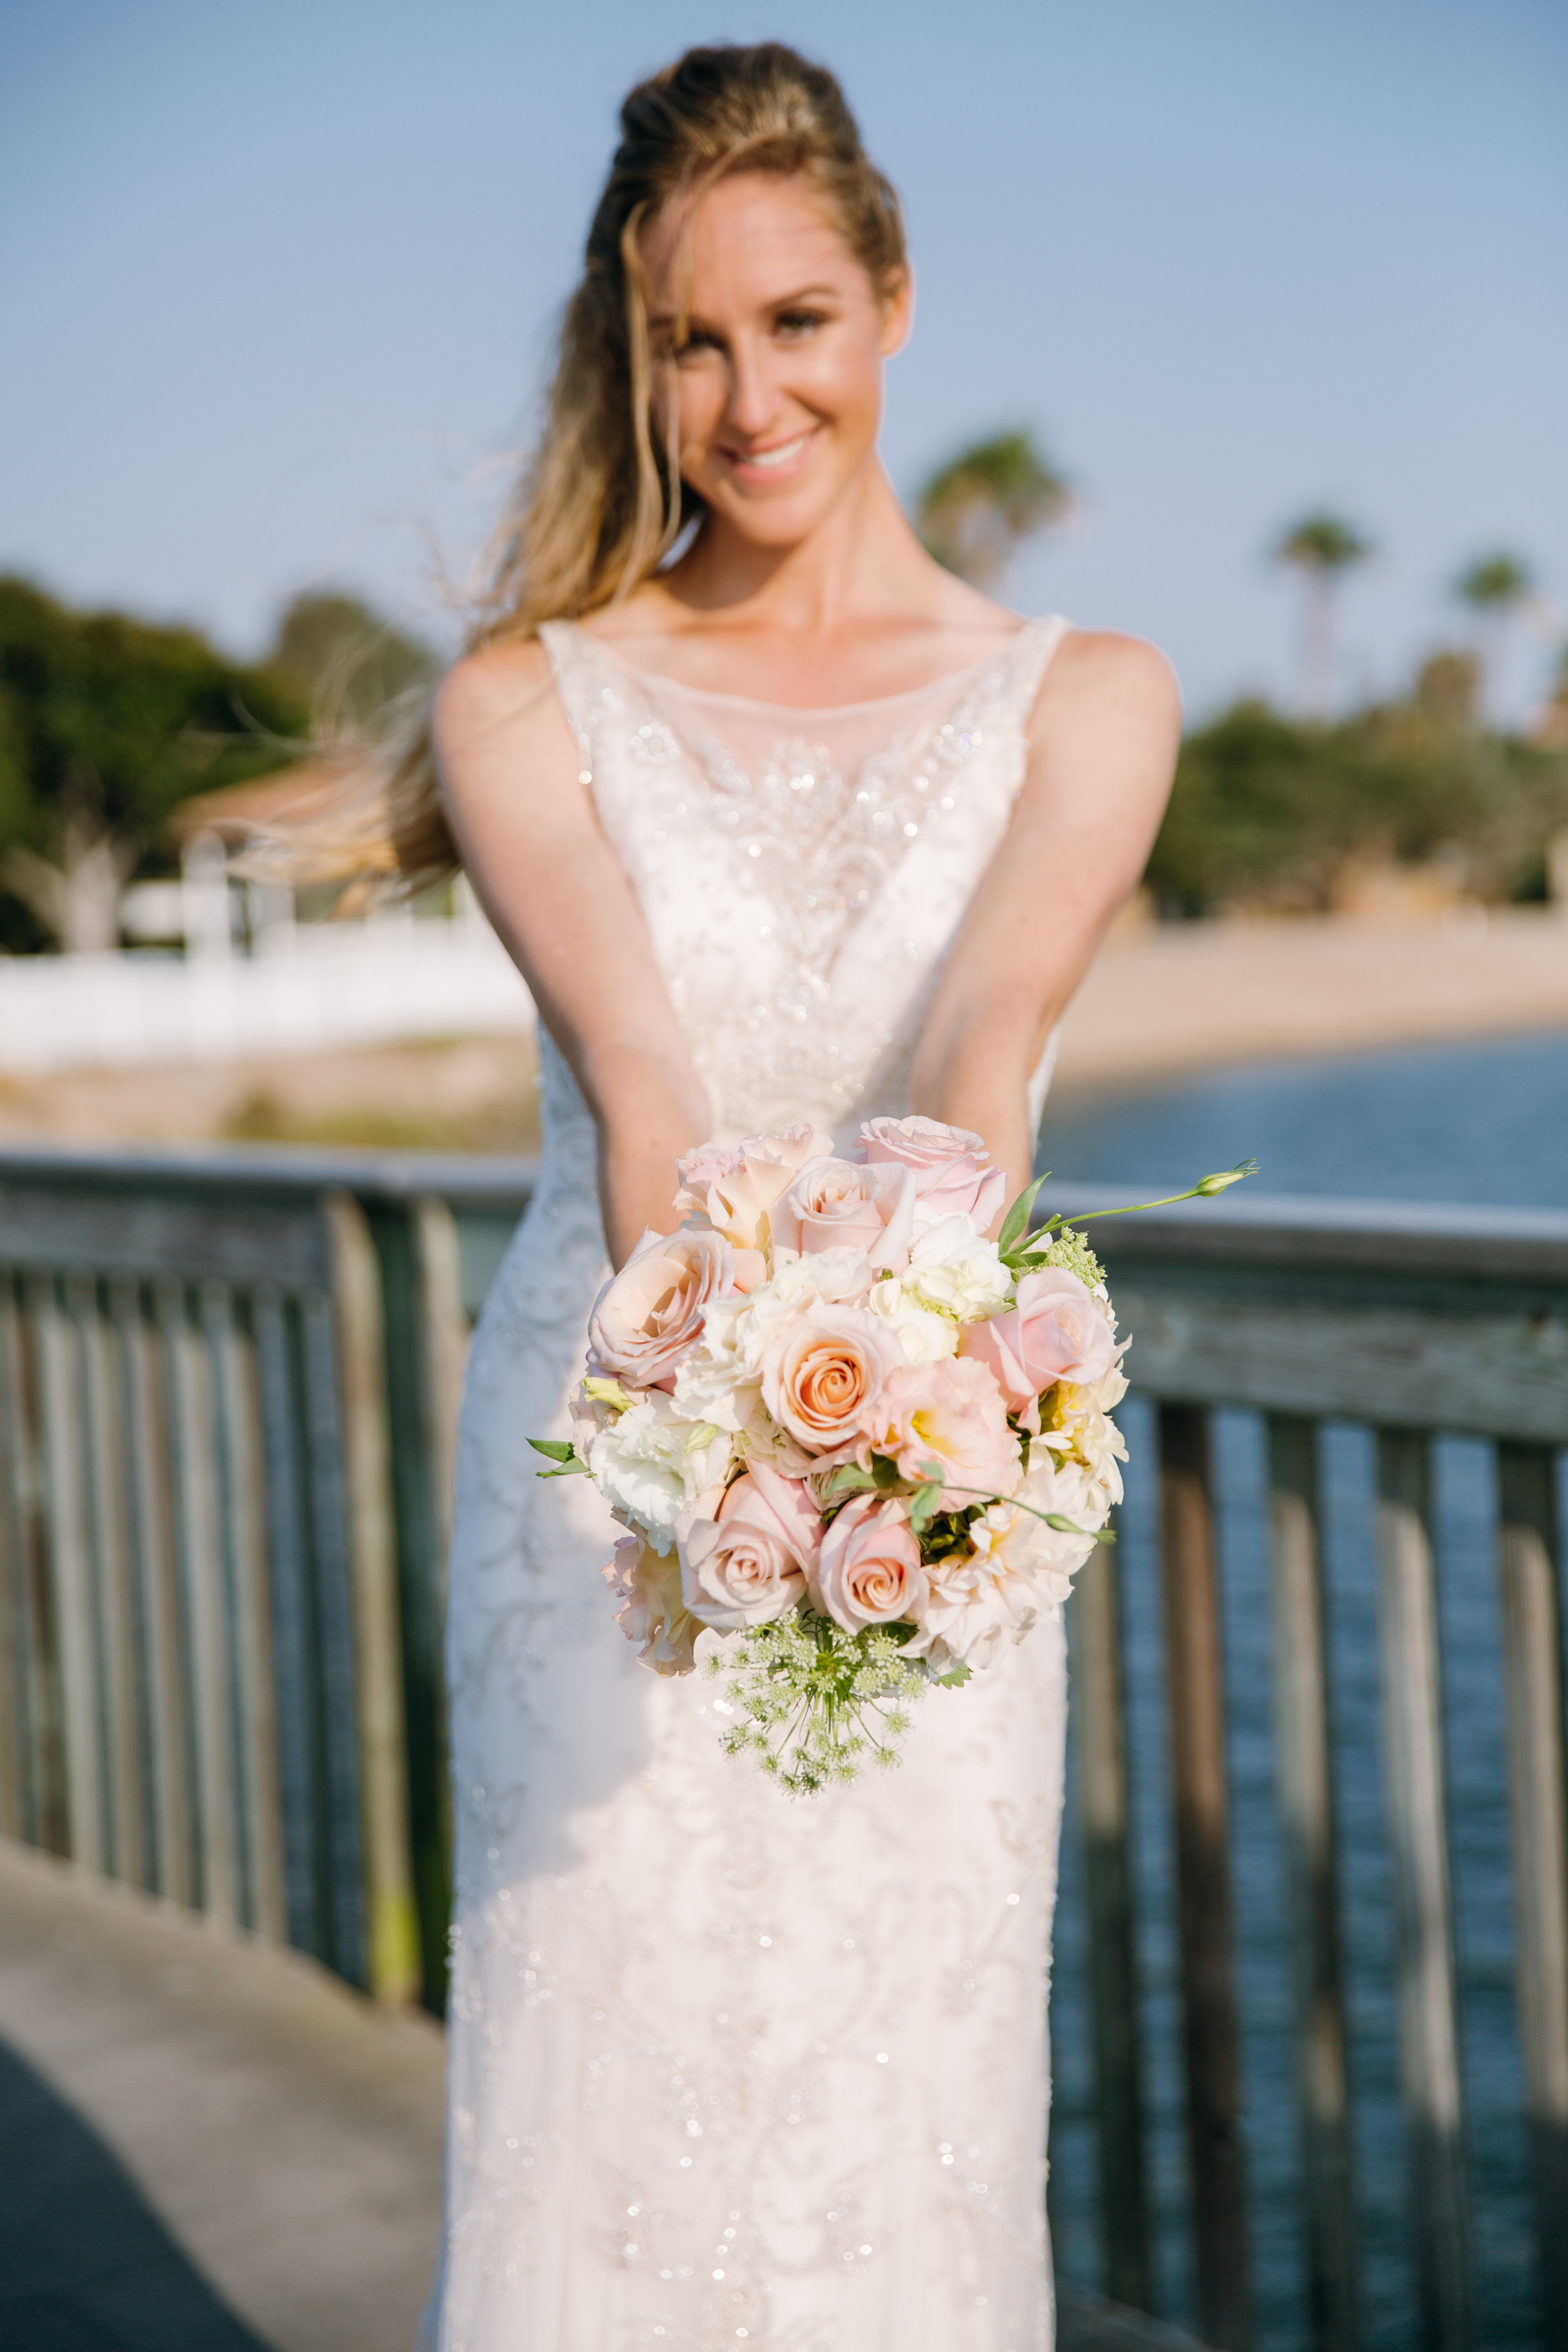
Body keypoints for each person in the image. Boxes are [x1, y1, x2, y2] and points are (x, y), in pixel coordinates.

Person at [290, 39, 1176, 2352]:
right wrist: (731, 1427)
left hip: (936, 1471)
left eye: (793, 321)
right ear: (632, 354)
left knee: (902, 2113)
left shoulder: (1086, 693)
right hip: (603, 1476)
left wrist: (896, 1419)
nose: (744, 391)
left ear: (892, 300)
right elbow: (641, 1072)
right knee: (612, 2108)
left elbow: (984, 1042)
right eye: (686, 339)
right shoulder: (523, 703)